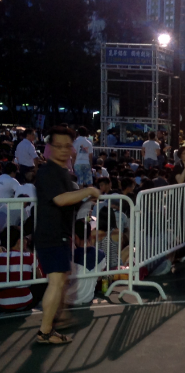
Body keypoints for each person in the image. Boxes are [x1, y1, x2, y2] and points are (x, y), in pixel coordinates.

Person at [35, 126, 101, 344]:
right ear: (50, 148)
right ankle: (45, 331)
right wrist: (89, 191)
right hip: (51, 235)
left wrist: (83, 199)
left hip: (60, 235)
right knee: (56, 282)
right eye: (58, 146)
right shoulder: (48, 172)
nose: (63, 150)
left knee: (59, 281)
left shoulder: (63, 172)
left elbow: (67, 202)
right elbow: (60, 200)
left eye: (67, 146)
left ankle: (52, 324)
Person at [0, 226, 44, 312]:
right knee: (41, 283)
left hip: (2, 304)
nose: (27, 241)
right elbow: (40, 278)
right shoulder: (30, 257)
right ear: (19, 241)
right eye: (25, 238)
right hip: (24, 303)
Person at [65, 219, 106, 305]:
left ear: (75, 236)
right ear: (89, 235)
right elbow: (99, 278)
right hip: (88, 298)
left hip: (69, 300)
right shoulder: (101, 254)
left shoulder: (71, 256)